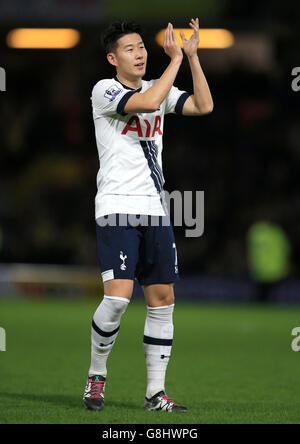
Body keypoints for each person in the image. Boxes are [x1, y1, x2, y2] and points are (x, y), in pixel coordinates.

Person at [83, 18, 213, 413]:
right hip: (117, 206)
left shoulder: (161, 87)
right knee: (119, 299)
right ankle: (96, 376)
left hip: (155, 208)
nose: (139, 53)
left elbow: (203, 105)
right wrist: (173, 59)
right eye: (130, 48)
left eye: (142, 46)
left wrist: (191, 58)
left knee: (163, 299)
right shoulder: (104, 90)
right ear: (112, 58)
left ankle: (155, 393)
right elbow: (147, 103)